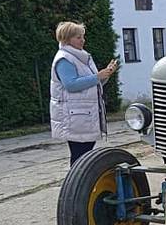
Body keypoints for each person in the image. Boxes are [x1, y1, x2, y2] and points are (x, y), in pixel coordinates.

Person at [50, 22, 118, 166]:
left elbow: (92, 84)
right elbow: (71, 85)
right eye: (78, 37)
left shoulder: (81, 57)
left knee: (84, 155)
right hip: (75, 115)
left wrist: (105, 75)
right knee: (80, 156)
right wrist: (97, 77)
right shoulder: (64, 59)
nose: (83, 40)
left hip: (83, 114)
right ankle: (77, 186)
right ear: (67, 39)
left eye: (83, 37)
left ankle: (80, 185)